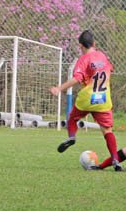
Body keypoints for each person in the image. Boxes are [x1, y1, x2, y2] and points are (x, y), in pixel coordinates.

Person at [50, 30, 122, 171]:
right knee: (107, 130)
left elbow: (77, 79)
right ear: (94, 43)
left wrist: (59, 88)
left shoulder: (83, 59)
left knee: (72, 119)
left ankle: (72, 137)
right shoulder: (102, 56)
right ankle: (115, 159)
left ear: (81, 46)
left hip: (87, 97)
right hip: (103, 98)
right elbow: (108, 70)